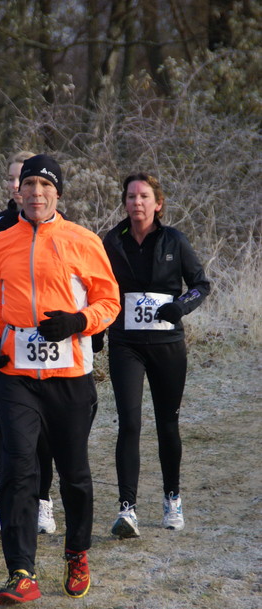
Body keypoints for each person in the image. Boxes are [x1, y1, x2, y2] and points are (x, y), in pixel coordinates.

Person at [0, 154, 120, 604]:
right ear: (17, 191)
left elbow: (109, 303)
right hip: (15, 375)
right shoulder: (2, 242)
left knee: (73, 472)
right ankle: (20, 571)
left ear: (57, 193)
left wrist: (78, 322)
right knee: (18, 467)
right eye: (29, 184)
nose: (36, 192)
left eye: (45, 185)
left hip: (69, 375)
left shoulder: (83, 240)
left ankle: (77, 552)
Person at [103, 172, 210, 539]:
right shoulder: (111, 242)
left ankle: (172, 498)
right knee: (129, 422)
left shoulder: (174, 240)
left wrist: (180, 307)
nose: (137, 202)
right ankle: (127, 509)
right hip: (126, 344)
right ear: (125, 202)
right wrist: (98, 330)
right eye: (131, 196)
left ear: (157, 203)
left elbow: (201, 284)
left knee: (167, 423)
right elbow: (96, 287)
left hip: (167, 345)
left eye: (144, 196)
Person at [0, 151, 56, 538]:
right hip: (6, 339)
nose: (18, 186)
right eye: (13, 179)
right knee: (7, 429)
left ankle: (44, 502)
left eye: (25, 178)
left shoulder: (58, 226)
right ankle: (6, 506)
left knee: (43, 430)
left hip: (47, 342)